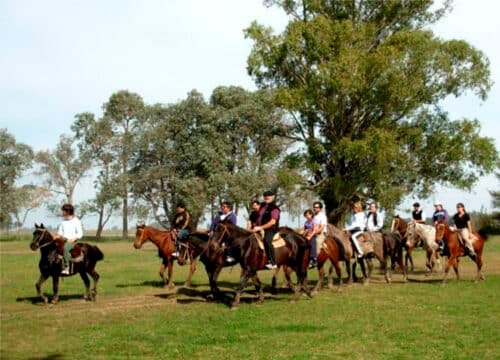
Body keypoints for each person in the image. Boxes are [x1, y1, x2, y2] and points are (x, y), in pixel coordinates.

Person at [252, 190, 280, 269]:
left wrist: (260, 227)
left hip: (271, 229)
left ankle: (272, 261)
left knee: (267, 240)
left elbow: (272, 222)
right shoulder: (262, 205)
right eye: (265, 196)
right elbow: (257, 215)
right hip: (259, 228)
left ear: (273, 197)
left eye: (269, 196)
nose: (267, 197)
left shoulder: (275, 208)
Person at [54, 203, 83, 275]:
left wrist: (73, 239)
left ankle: (67, 267)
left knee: (66, 248)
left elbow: (80, 233)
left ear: (68, 211)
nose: (62, 212)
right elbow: (60, 233)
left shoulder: (77, 221)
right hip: (62, 240)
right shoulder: (62, 222)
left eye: (63, 211)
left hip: (72, 242)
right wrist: (56, 236)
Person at [312, 201, 328, 267]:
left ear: (320, 208)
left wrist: (315, 232)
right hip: (314, 233)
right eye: (314, 207)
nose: (315, 208)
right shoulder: (313, 216)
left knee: (317, 242)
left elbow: (321, 228)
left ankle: (315, 260)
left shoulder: (323, 216)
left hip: (321, 233)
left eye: (317, 207)